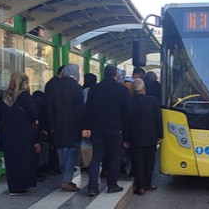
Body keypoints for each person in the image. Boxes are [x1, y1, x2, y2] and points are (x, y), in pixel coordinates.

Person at [82, 64, 132, 196]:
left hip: (97, 129)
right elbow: (127, 113)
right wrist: (126, 133)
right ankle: (112, 185)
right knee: (114, 157)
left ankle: (92, 187)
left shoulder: (94, 89)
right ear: (116, 74)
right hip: (116, 129)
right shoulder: (122, 90)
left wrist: (86, 127)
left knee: (96, 157)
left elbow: (88, 110)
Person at [0, 72, 40, 195]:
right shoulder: (24, 96)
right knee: (23, 159)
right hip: (23, 134)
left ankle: (13, 187)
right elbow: (34, 114)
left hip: (8, 134)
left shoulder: (4, 97)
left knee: (11, 160)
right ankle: (22, 185)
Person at [45, 64, 86, 192]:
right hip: (72, 125)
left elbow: (48, 107)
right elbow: (80, 110)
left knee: (61, 151)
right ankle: (66, 180)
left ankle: (65, 175)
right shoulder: (76, 87)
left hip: (56, 125)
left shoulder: (53, 86)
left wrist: (50, 124)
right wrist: (83, 126)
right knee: (71, 152)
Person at [124, 78, 163, 195]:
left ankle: (140, 187)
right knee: (149, 162)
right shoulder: (154, 101)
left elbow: (127, 123)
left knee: (138, 162)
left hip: (135, 138)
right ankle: (147, 183)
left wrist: (126, 139)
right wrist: (160, 135)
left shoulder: (130, 102)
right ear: (144, 89)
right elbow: (158, 120)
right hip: (151, 136)